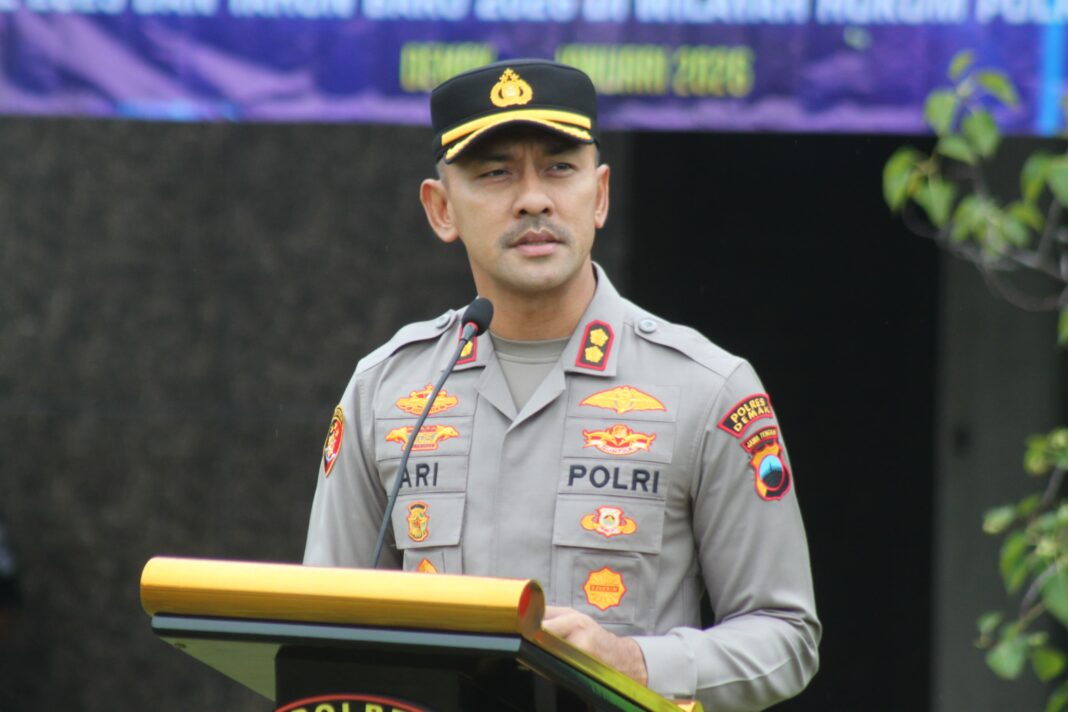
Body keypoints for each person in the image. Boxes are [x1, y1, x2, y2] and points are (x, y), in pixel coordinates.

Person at [304, 58, 820, 710]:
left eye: (558, 168)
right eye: (495, 173)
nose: (533, 199)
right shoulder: (384, 391)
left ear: (599, 196)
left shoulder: (708, 389)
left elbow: (785, 634)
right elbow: (321, 622)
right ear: (441, 209)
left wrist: (636, 662)